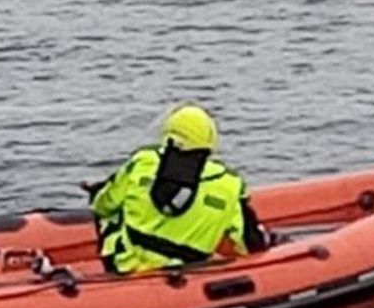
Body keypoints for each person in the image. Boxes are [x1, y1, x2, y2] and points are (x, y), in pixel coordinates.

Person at [88, 104, 268, 274]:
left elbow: (103, 205)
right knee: (225, 223)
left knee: (109, 208)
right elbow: (248, 245)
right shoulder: (229, 184)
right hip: (189, 272)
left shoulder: (143, 162)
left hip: (125, 266)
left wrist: (96, 193)